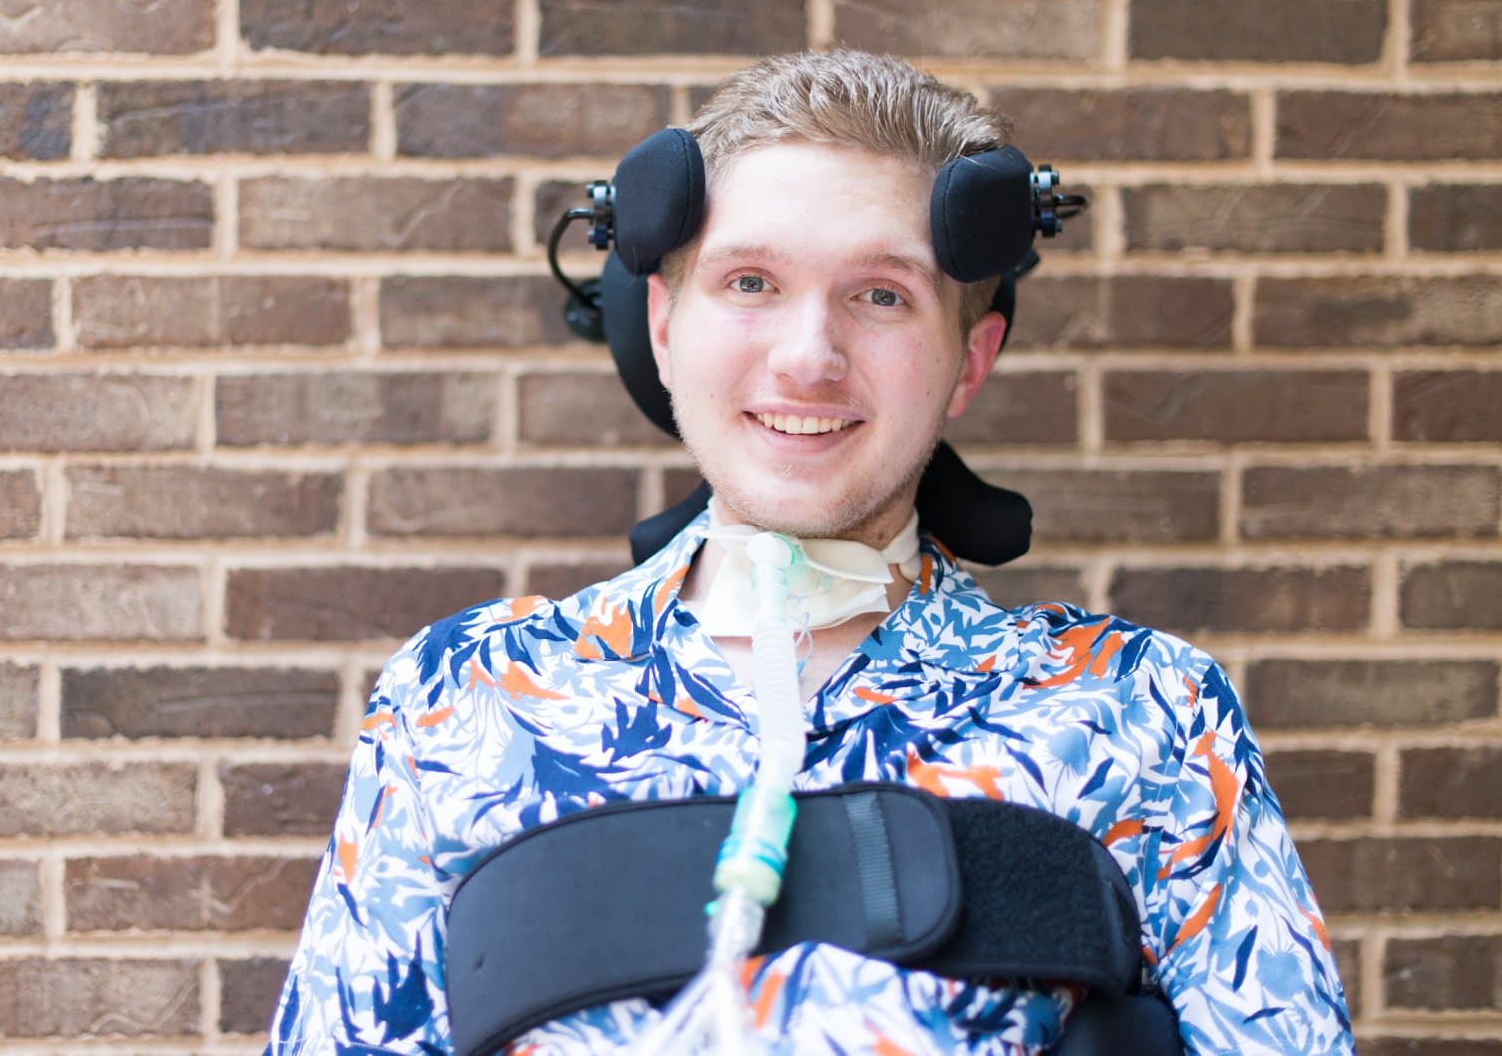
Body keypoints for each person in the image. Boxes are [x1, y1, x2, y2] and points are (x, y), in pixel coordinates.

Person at [264, 51, 1354, 1055]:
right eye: (751, 283)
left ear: (969, 360)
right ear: (663, 325)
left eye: (881, 296)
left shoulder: (1139, 710)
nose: (810, 356)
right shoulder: (468, 698)